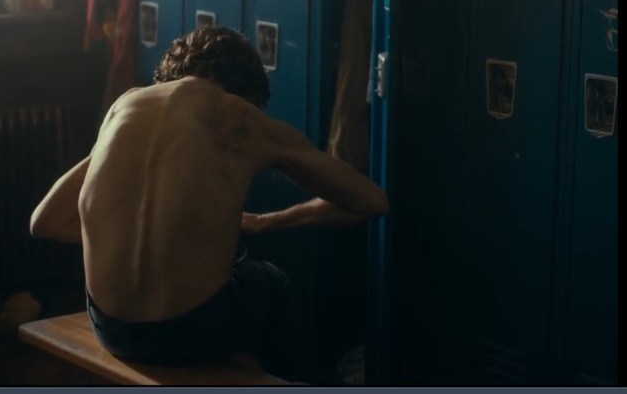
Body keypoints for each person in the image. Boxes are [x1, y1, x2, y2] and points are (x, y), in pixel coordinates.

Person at [30, 25, 388, 382]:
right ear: (245, 89)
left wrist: (128, 238)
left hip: (110, 330)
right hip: (192, 333)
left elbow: (45, 221)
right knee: (271, 281)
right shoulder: (241, 116)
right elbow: (371, 201)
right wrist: (267, 222)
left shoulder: (124, 107)